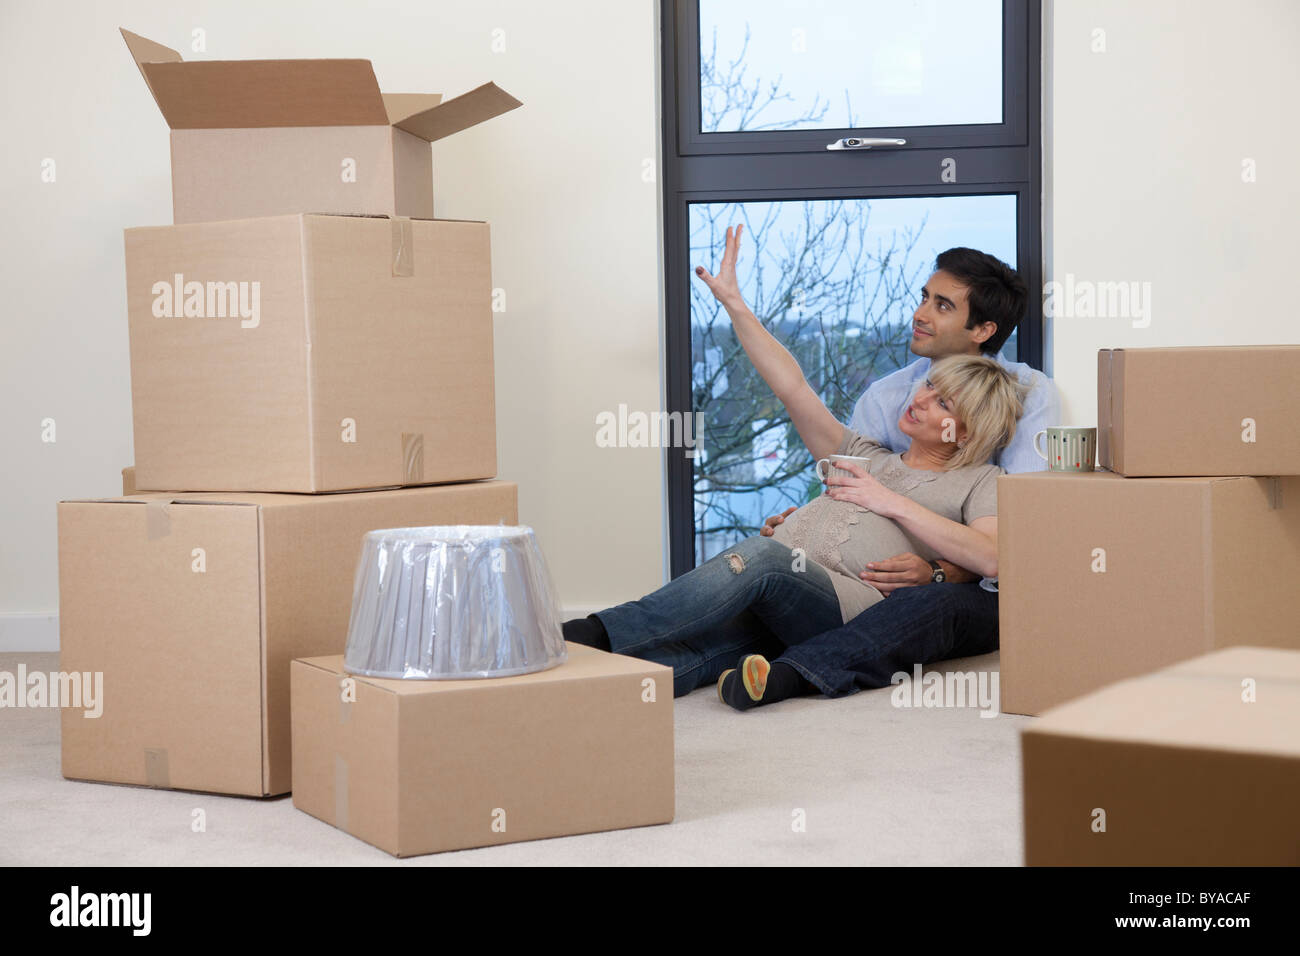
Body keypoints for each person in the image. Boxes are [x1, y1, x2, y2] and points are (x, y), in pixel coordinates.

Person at [562, 224, 1029, 705]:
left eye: (944, 404)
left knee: (762, 559)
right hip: (782, 589)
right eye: (930, 387)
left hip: (839, 605)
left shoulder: (980, 480)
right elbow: (793, 387)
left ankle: (587, 632)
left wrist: (889, 503)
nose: (923, 400)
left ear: (967, 432)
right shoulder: (867, 453)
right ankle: (582, 685)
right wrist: (735, 305)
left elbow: (993, 558)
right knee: (705, 648)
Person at [741, 236, 1061, 710]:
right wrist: (804, 527)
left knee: (930, 604)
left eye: (943, 305)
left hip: (973, 583)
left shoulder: (1028, 393)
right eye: (924, 297)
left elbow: (1023, 534)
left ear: (983, 329)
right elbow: (855, 488)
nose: (921, 313)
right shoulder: (884, 397)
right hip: (875, 574)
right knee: (774, 575)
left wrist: (939, 572)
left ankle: (795, 672)